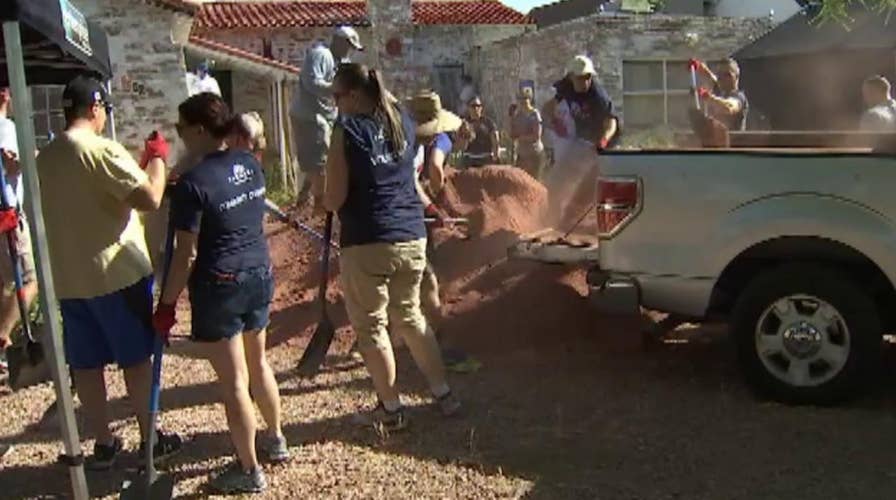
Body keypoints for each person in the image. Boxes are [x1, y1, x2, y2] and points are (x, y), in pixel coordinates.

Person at [36, 76, 182, 470]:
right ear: (96, 108)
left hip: (70, 277)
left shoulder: (45, 158)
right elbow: (151, 197)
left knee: (86, 366)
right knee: (136, 360)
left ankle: (102, 442)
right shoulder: (101, 150)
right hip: (116, 274)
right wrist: (157, 158)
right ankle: (150, 439)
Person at [156, 93, 286, 494]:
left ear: (198, 130)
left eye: (180, 129)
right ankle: (277, 438)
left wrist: (166, 303)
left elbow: (186, 254)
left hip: (221, 284)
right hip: (258, 273)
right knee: (259, 363)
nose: (179, 136)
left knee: (234, 382)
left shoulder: (192, 186)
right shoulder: (249, 164)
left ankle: (248, 471)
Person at [323, 64, 460, 430]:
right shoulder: (402, 118)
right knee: (411, 316)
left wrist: (327, 195)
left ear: (353, 95)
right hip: (410, 234)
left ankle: (392, 409)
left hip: (368, 238)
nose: (334, 104)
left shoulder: (346, 129)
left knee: (371, 328)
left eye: (337, 96)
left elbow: (334, 197)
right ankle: (443, 393)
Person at [407, 91, 478, 373]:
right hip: (403, 222)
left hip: (411, 215)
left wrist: (434, 212)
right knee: (426, 281)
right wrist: (436, 201)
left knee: (419, 281)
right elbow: (432, 170)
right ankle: (437, 344)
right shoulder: (439, 141)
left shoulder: (411, 144)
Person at [289, 26, 364, 209]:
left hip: (326, 116)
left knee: (321, 158)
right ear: (338, 42)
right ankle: (319, 206)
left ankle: (303, 198)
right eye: (348, 46)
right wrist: (337, 88)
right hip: (309, 115)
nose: (350, 51)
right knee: (320, 160)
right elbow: (312, 83)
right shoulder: (321, 55)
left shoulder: (342, 61)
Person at [542, 55, 619, 224]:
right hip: (580, 142)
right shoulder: (565, 88)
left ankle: (599, 221)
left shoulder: (598, 95)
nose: (585, 82)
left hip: (600, 145)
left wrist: (604, 140)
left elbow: (611, 122)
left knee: (595, 186)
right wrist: (554, 122)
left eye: (588, 77)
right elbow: (546, 109)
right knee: (555, 180)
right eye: (580, 78)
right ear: (571, 77)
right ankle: (552, 218)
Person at [0, 86, 38, 374]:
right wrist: (34, 157)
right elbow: (12, 164)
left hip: (7, 213)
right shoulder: (6, 127)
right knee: (30, 280)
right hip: (8, 215)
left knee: (3, 284)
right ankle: (2, 337)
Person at [694, 58, 749, 131]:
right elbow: (710, 77)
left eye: (727, 75)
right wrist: (699, 66)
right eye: (719, 74)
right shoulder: (720, 89)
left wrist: (709, 97)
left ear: (736, 76)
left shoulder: (739, 97)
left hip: (735, 141)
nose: (722, 78)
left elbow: (729, 107)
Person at [509, 87, 546, 180]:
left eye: (525, 98)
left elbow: (536, 136)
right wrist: (511, 118)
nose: (522, 101)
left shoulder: (535, 114)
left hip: (534, 154)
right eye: (520, 99)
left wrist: (520, 137)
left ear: (530, 99)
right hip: (522, 154)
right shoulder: (518, 115)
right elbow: (512, 134)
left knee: (534, 181)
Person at [457, 96, 499, 168]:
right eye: (473, 106)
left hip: (485, 160)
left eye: (478, 106)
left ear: (481, 108)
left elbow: (495, 141)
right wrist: (466, 135)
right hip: (469, 160)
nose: (476, 109)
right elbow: (461, 147)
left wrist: (495, 158)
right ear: (469, 108)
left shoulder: (489, 123)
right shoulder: (465, 124)